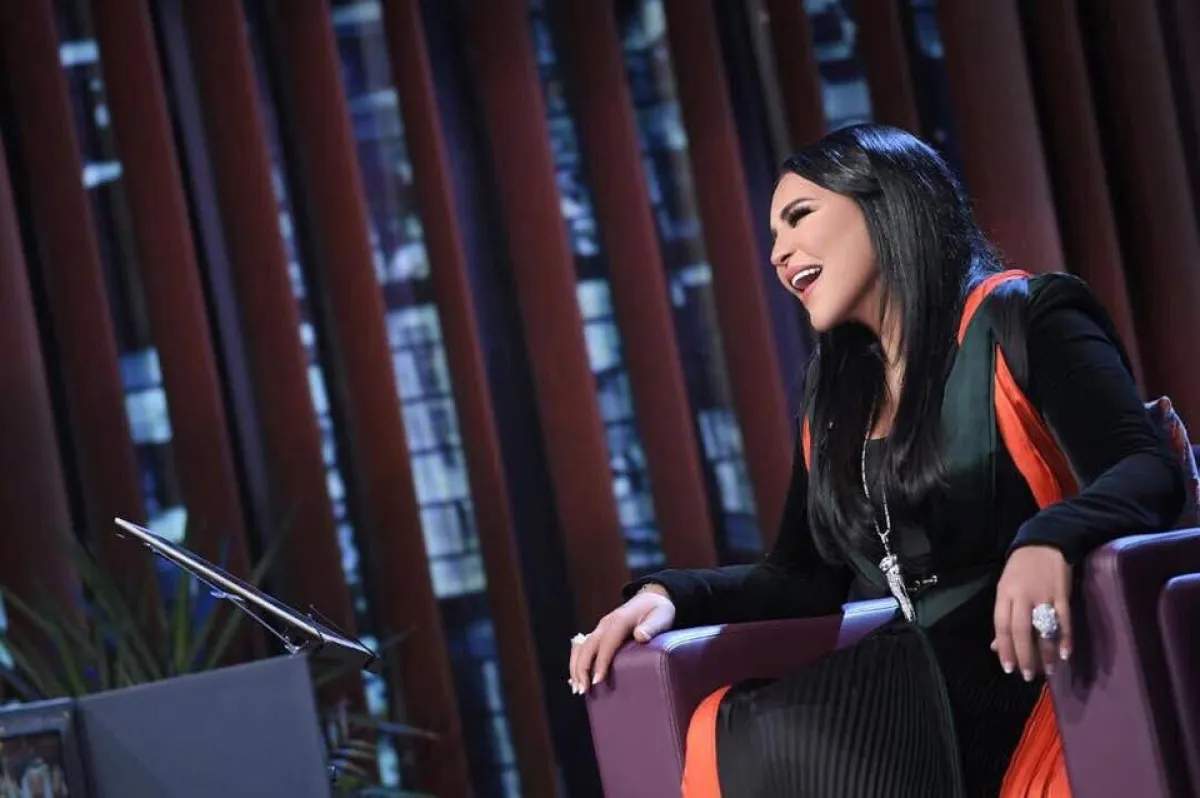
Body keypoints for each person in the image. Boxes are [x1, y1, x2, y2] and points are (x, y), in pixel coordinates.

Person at [567, 124, 1186, 797]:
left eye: (799, 216)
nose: (778, 254)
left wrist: (1049, 538)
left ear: (886, 203)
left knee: (768, 739)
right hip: (920, 679)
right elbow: (802, 579)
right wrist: (668, 596)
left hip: (1030, 667)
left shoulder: (1027, 317)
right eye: (772, 236)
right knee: (728, 727)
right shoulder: (836, 400)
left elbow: (1142, 466)